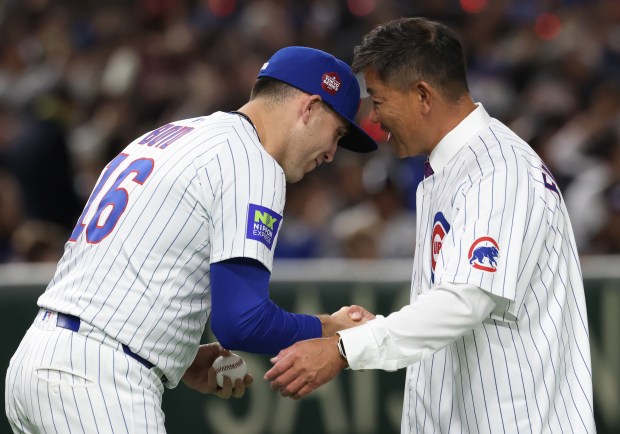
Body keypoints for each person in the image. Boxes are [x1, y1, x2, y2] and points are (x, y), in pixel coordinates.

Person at [5, 46, 377, 434]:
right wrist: (331, 327)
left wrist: (176, 356)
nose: (333, 154)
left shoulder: (173, 135)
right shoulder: (253, 161)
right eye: (337, 133)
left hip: (38, 360)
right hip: (96, 383)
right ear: (310, 108)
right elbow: (242, 321)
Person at [264, 18, 596, 434]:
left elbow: (464, 301)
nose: (376, 121)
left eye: (380, 100)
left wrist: (346, 349)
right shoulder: (454, 168)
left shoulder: (497, 170)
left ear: (423, 95)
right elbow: (454, 308)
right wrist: (379, 329)